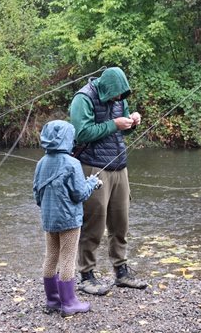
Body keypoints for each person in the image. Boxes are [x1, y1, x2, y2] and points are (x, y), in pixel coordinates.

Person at [69, 66, 147, 295]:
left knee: (120, 221)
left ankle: (121, 272)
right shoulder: (83, 98)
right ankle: (86, 275)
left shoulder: (120, 98)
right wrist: (114, 124)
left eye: (122, 96)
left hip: (119, 166)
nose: (118, 99)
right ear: (107, 88)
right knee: (94, 222)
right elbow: (81, 133)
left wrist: (132, 122)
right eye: (116, 95)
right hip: (93, 167)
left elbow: (120, 131)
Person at [33, 120, 101, 316]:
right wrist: (93, 182)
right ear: (66, 139)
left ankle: (52, 300)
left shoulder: (41, 163)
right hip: (69, 220)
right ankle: (69, 303)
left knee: (51, 256)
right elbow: (79, 194)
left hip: (49, 219)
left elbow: (36, 194)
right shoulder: (73, 163)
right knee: (68, 259)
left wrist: (48, 208)